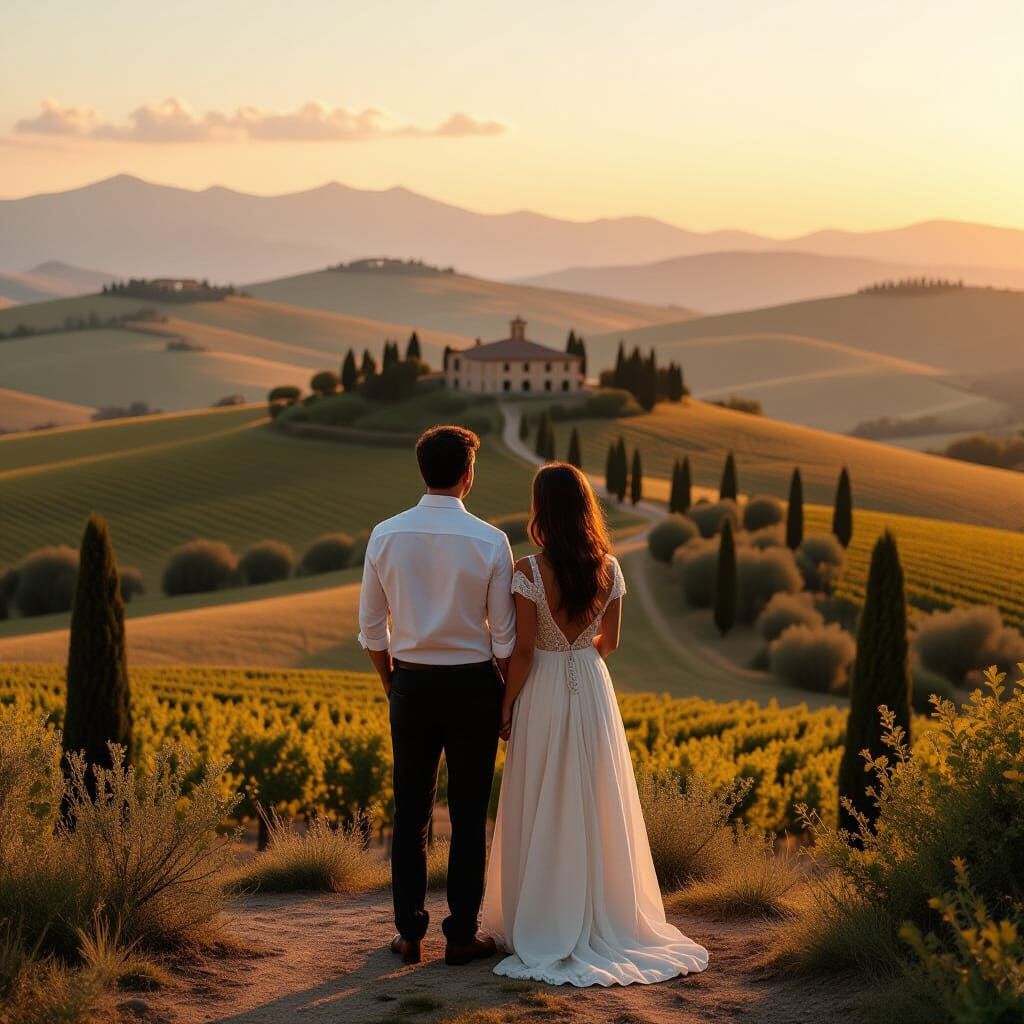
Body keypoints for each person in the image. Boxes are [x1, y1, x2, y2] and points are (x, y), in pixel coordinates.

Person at [481, 463, 709, 986]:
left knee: (543, 792)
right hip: (592, 682)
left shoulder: (530, 570)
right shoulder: (608, 566)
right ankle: (603, 910)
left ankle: (541, 914)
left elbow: (523, 647)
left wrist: (506, 705)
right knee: (594, 792)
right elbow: (613, 642)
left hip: (542, 687)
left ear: (542, 510)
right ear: (585, 507)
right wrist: (581, 653)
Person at [358, 425, 514, 967]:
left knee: (411, 813)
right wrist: (506, 696)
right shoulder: (492, 541)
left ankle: (409, 934)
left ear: (423, 470)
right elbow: (504, 639)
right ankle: (462, 935)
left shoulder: (385, 535)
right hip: (474, 685)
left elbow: (371, 629)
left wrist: (392, 682)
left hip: (412, 683)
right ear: (468, 475)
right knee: (470, 816)